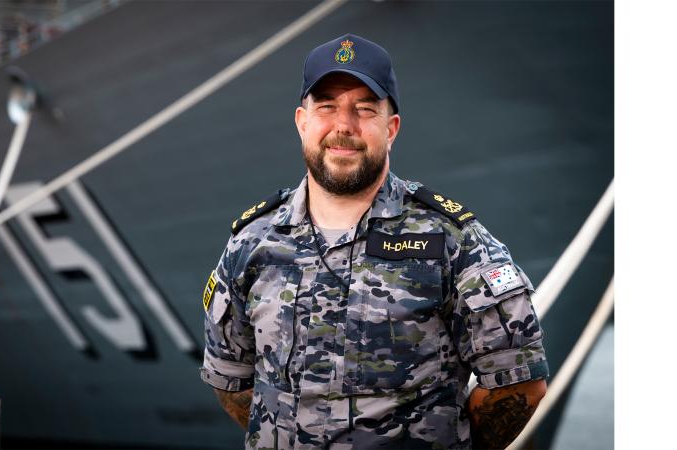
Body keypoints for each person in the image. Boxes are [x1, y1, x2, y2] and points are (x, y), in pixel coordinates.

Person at [200, 33, 548, 449]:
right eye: (326, 107)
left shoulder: (454, 242)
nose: (343, 125)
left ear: (391, 128)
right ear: (302, 122)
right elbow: (231, 381)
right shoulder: (251, 244)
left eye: (364, 109)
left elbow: (518, 386)